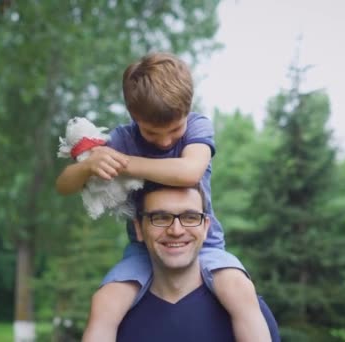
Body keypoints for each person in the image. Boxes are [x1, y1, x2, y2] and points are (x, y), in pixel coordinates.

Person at [56, 52, 270, 341]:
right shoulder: (125, 138)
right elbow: (63, 185)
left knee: (239, 289)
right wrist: (89, 167)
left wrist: (123, 163)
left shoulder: (196, 127)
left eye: (174, 130)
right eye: (153, 132)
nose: (166, 140)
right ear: (134, 117)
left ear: (187, 110)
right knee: (106, 301)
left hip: (204, 245)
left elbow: (189, 172)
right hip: (144, 249)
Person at [115, 182, 281, 341]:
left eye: (190, 217)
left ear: (206, 227)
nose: (176, 230)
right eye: (160, 218)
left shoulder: (247, 310)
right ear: (139, 229)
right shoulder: (115, 317)